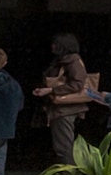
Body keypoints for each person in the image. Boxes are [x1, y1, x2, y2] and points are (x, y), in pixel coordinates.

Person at [31, 33, 92, 166]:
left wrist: (52, 90)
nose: (52, 46)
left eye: (55, 43)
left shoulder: (73, 61)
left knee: (63, 146)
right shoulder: (62, 60)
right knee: (60, 145)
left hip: (66, 110)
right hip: (60, 109)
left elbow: (77, 83)